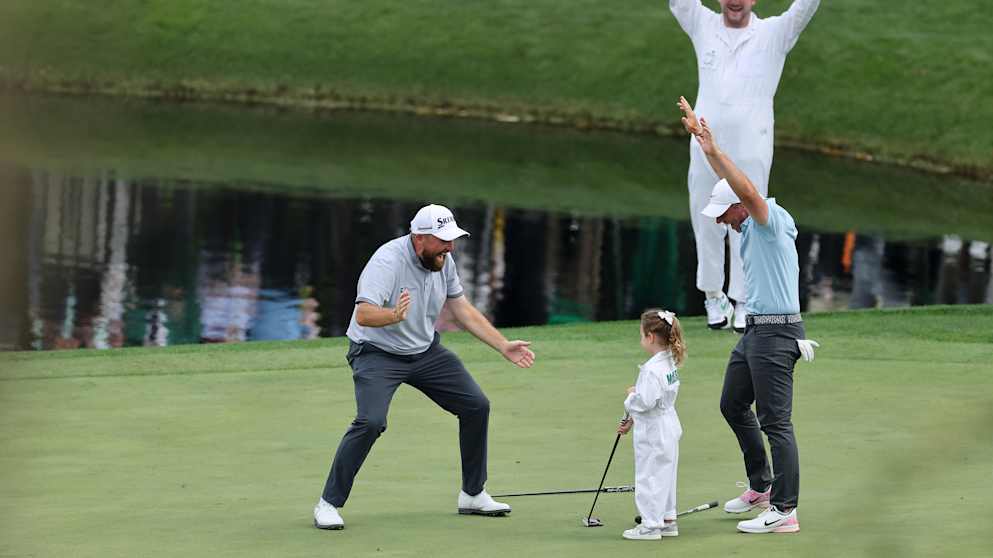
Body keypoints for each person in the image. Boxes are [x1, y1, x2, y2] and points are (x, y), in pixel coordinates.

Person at [313, 204, 536, 530]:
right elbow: (363, 315)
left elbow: (462, 309)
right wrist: (393, 316)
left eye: (452, 239)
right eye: (443, 240)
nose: (450, 247)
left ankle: (473, 494)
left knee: (476, 406)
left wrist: (502, 345)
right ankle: (328, 504)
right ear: (419, 239)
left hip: (424, 352)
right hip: (377, 353)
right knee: (371, 421)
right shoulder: (386, 262)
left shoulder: (443, 261)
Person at [678, 97, 819, 534]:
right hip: (755, 333)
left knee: (776, 421)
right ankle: (761, 485)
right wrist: (705, 149)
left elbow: (748, 191)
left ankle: (785, 510)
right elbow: (735, 189)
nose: (722, 222)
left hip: (777, 335)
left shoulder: (766, 219)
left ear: (739, 206)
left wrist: (717, 150)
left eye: (724, 214)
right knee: (733, 403)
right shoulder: (746, 225)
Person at [667, 0, 820, 331]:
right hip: (705, 143)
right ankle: (712, 295)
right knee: (705, 218)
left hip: (751, 146)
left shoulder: (775, 32)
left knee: (748, 222)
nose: (735, 1)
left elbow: (806, 7)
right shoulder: (702, 23)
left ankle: (744, 300)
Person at [617, 309, 686, 540]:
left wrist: (630, 396)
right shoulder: (669, 363)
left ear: (650, 337)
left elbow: (645, 401)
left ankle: (651, 525)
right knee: (665, 474)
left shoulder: (651, 370)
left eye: (641, 335)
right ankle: (667, 519)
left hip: (654, 430)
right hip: (668, 425)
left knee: (649, 476)